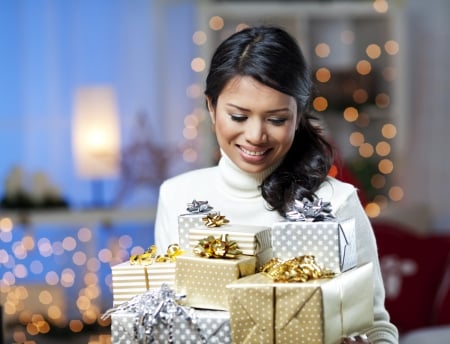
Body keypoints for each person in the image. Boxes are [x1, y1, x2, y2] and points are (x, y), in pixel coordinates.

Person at [154, 25, 399, 344]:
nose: (256, 135)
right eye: (239, 117)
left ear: (298, 116)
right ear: (212, 108)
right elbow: (165, 318)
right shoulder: (177, 196)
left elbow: (376, 326)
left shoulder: (336, 201)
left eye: (276, 119)